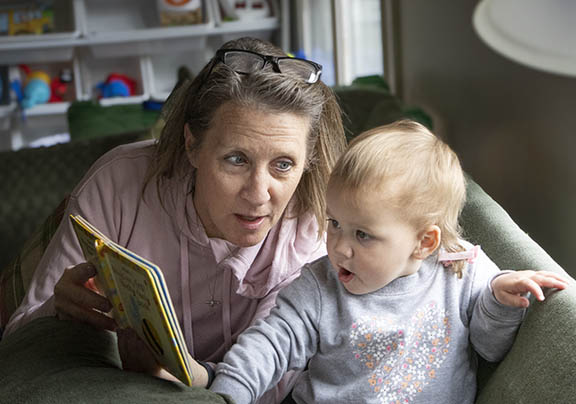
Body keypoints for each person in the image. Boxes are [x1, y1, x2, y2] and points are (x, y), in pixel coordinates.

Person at [3, 37, 347, 402]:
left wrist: (168, 378)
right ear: (192, 145)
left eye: (283, 165)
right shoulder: (119, 184)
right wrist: (61, 310)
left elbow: (266, 388)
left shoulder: (319, 230)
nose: (258, 194)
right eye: (236, 159)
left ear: (306, 160)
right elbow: (20, 343)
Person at [194, 120, 568, 403]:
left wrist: (500, 302)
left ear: (424, 242)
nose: (340, 247)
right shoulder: (319, 287)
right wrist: (230, 394)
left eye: (363, 235)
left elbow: (490, 347)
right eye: (335, 223)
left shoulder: (461, 268)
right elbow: (269, 346)